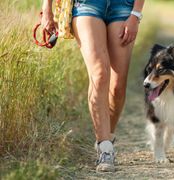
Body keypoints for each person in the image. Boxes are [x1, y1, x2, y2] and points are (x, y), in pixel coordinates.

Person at [41, 0, 145, 172]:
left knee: (118, 85)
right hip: (86, 5)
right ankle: (105, 148)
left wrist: (136, 14)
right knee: (99, 74)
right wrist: (46, 9)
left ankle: (107, 137)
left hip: (123, 6)